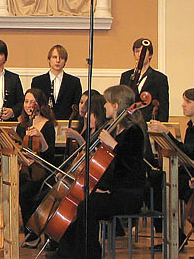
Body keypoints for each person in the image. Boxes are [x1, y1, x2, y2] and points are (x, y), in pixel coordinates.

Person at [48, 85, 147, 259]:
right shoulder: (113, 129)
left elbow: (131, 167)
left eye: (107, 102)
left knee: (87, 206)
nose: (104, 106)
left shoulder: (134, 131)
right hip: (112, 190)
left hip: (127, 194)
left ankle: (89, 254)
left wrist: (113, 145)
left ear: (116, 105)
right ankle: (67, 252)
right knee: (77, 200)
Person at [148, 88, 194, 246]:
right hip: (190, 172)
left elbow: (189, 152)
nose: (183, 105)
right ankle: (175, 233)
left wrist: (167, 134)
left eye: (188, 102)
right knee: (156, 182)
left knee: (177, 188)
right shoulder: (191, 127)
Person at [17, 88, 57, 248]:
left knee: (27, 192)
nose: (29, 105)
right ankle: (30, 232)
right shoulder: (22, 126)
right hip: (26, 170)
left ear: (40, 104)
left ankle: (34, 233)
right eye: (26, 101)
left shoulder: (47, 125)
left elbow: (49, 153)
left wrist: (40, 136)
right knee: (18, 188)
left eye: (32, 102)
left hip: (43, 171)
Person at [120, 37, 169, 121]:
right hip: (129, 121)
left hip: (149, 122)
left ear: (150, 55)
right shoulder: (126, 76)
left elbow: (164, 106)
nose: (140, 54)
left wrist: (161, 125)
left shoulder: (160, 78)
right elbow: (122, 102)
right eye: (137, 51)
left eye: (143, 52)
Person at [30, 45, 82, 120]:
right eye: (54, 57)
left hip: (67, 123)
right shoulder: (38, 82)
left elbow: (76, 107)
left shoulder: (74, 82)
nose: (58, 60)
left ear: (65, 61)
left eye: (61, 58)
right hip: (43, 123)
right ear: (49, 60)